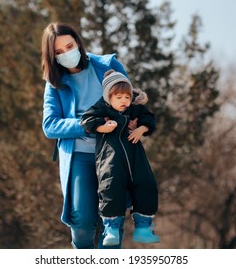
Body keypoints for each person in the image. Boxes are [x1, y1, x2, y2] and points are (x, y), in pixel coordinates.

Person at [41, 22, 137, 249]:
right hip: (80, 157)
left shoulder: (107, 65)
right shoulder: (54, 83)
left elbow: (128, 102)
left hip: (113, 156)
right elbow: (50, 125)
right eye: (58, 52)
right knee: (81, 222)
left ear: (78, 43)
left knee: (112, 224)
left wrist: (133, 116)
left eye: (69, 46)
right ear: (52, 57)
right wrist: (89, 125)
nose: (66, 53)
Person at [80, 70, 160, 246]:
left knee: (147, 185)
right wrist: (103, 127)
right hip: (111, 160)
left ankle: (143, 228)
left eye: (127, 96)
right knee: (111, 189)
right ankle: (111, 229)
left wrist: (141, 129)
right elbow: (86, 119)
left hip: (136, 159)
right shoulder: (102, 109)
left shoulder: (135, 110)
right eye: (118, 97)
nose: (124, 101)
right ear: (109, 97)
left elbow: (149, 118)